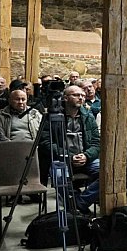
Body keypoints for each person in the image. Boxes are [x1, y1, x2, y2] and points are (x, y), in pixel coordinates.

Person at [39, 85, 101, 213]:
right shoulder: (52, 117)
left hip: (85, 159)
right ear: (65, 98)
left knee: (107, 172)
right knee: (58, 175)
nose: (81, 98)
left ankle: (79, 203)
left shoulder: (88, 117)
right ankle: (77, 205)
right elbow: (45, 142)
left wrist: (87, 155)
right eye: (76, 95)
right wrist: (67, 156)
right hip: (62, 159)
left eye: (82, 96)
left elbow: (97, 142)